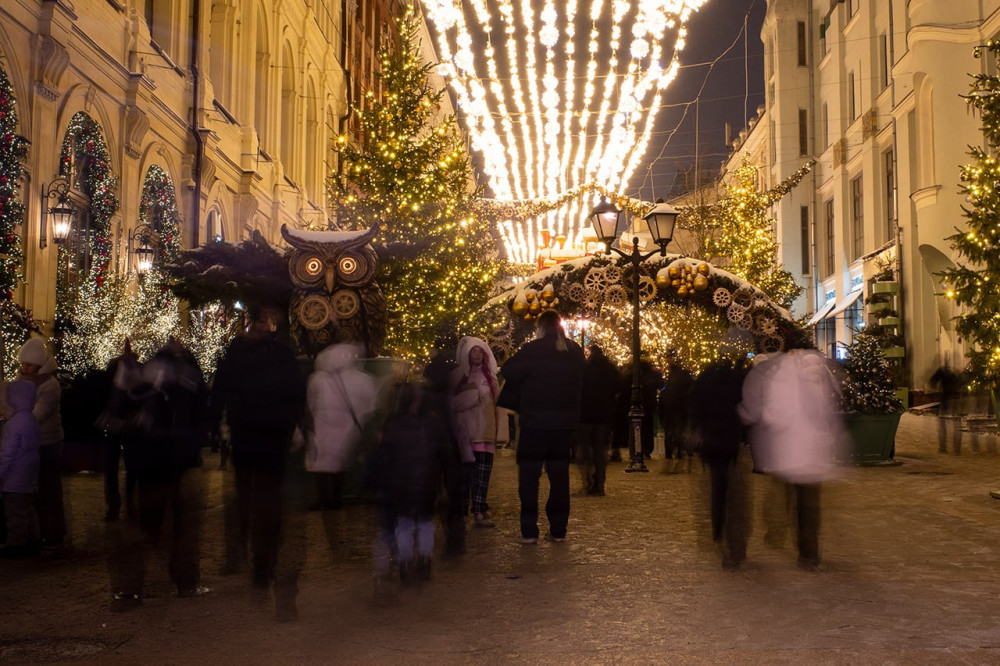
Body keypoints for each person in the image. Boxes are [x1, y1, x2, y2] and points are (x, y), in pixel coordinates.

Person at [210, 305, 306, 613]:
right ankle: (263, 563)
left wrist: (218, 424)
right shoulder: (280, 356)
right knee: (268, 503)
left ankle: (252, 559)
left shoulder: (237, 354)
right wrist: (294, 426)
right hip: (270, 438)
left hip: (249, 436)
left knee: (249, 499)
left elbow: (221, 392)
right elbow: (295, 395)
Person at [111, 338, 209, 604]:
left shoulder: (143, 381)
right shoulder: (187, 379)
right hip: (174, 460)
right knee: (179, 526)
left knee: (144, 523)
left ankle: (132, 587)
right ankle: (184, 582)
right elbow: (199, 414)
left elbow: (120, 413)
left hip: (149, 461)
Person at [738, 347, 845, 570]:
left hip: (792, 456)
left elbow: (776, 416)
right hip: (813, 457)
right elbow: (826, 417)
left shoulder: (787, 384)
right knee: (810, 505)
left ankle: (797, 546)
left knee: (794, 502)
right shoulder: (818, 385)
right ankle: (809, 553)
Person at [500, 310, 585, 544]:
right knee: (559, 478)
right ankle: (558, 529)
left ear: (540, 328)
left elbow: (508, 370)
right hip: (563, 426)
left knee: (529, 478)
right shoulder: (574, 351)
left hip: (534, 425)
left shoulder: (532, 350)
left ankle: (529, 530)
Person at [374, 381, 450, 585]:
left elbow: (384, 456)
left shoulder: (393, 423)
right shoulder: (434, 424)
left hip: (400, 482)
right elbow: (444, 456)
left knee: (405, 524)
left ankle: (405, 562)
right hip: (427, 482)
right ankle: (425, 558)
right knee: (425, 523)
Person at [689, 345, 749, 569]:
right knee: (734, 492)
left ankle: (717, 531)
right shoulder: (735, 379)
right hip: (730, 440)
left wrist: (697, 429)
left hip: (712, 441)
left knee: (717, 489)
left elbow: (694, 406)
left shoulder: (705, 379)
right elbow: (744, 405)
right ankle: (734, 543)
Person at [304, 343, 377, 511]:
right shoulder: (363, 379)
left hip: (321, 429)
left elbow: (311, 405)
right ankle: (336, 498)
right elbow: (371, 406)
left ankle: (323, 498)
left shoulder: (318, 379)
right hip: (347, 430)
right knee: (338, 466)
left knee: (320, 466)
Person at [15, 338, 66, 551]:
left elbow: (38, 415)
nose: (24, 368)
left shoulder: (50, 385)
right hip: (28, 443)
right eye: (23, 364)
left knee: (48, 489)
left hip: (47, 443)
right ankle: (36, 534)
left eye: (28, 365)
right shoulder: (22, 381)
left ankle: (53, 535)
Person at [450, 336, 506, 527]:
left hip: (485, 434)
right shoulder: (458, 376)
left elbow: (499, 406)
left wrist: (501, 434)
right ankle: (462, 510)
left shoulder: (491, 378)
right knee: (464, 477)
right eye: (474, 351)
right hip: (465, 436)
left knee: (482, 477)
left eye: (480, 351)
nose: (477, 354)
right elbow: (452, 404)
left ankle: (480, 508)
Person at [423, 343, 467, 557]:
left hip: (432, 449)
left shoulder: (427, 403)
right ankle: (455, 538)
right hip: (451, 447)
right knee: (453, 492)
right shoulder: (451, 401)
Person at [0, 381, 41, 558]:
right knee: (27, 509)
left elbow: (7, 454)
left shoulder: (14, 423)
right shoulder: (31, 420)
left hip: (14, 479)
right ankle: (34, 539)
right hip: (28, 476)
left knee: (15, 513)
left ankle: (17, 544)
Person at [575, 345, 619, 496]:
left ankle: (588, 482)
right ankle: (599, 483)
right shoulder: (610, 370)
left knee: (585, 451)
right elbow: (617, 389)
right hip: (603, 416)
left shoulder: (584, 370)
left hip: (585, 416)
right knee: (600, 452)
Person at [658, 349, 694, 472]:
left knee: (677, 435)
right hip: (672, 410)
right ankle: (674, 459)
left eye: (670, 357)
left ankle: (679, 459)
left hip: (678, 410)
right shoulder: (671, 375)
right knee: (672, 436)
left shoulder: (680, 375)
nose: (668, 360)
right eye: (667, 357)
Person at [929, 362, 964, 455]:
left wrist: (935, 390)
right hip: (955, 399)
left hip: (946, 400)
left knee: (943, 424)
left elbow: (932, 382)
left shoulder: (943, 371)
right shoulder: (957, 372)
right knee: (956, 424)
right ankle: (957, 449)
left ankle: (943, 447)